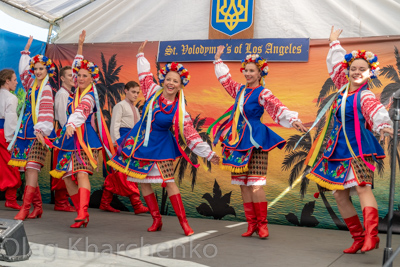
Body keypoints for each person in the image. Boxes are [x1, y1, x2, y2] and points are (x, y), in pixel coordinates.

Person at [108, 40, 220, 236]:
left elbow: (191, 135)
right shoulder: (152, 92)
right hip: (141, 143)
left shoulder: (180, 110)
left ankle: (184, 223)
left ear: (180, 85)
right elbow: (143, 77)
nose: (171, 83)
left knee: (169, 182)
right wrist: (141, 56)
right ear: (163, 80)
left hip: (161, 146)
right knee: (143, 181)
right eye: (168, 79)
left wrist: (209, 154)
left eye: (175, 81)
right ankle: (156, 220)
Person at [305, 27, 393, 253]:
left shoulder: (364, 95)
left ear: (370, 73)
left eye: (362, 69)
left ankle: (372, 236)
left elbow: (374, 110)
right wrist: (334, 42)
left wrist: (384, 125)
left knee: (363, 187)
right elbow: (336, 65)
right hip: (337, 148)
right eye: (353, 68)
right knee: (338, 194)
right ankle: (358, 237)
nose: (356, 72)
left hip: (358, 148)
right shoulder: (343, 89)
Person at [212, 46, 307, 239]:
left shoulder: (263, 93)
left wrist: (293, 120)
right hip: (237, 140)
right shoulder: (238, 90)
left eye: (251, 71)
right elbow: (225, 81)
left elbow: (277, 107)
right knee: (243, 184)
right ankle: (251, 224)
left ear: (260, 73)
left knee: (255, 184)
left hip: (256, 140)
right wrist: (218, 61)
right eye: (246, 70)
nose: (247, 73)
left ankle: (263, 225)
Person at [50, 30, 114, 228]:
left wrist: (70, 124)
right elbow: (78, 64)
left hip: (84, 138)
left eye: (85, 76)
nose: (80, 77)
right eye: (78, 75)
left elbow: (80, 112)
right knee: (68, 177)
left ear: (91, 79)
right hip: (69, 138)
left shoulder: (88, 97)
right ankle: (81, 213)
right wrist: (79, 46)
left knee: (81, 174)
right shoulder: (72, 94)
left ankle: (82, 212)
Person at [10, 36, 56, 220]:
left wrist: (41, 130)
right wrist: (26, 51)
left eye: (41, 69)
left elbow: (46, 110)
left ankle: (25, 207)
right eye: (35, 69)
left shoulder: (46, 89)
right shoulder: (31, 85)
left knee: (31, 168)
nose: (37, 72)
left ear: (47, 70)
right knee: (28, 170)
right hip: (25, 131)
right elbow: (23, 73)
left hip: (38, 132)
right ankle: (37, 207)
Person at [100, 81, 148, 214]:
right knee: (122, 173)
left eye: (138, 92)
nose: (136, 95)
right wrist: (115, 143)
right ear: (125, 90)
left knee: (118, 174)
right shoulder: (120, 106)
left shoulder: (135, 108)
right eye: (133, 92)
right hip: (121, 142)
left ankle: (104, 203)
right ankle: (137, 205)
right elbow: (114, 124)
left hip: (131, 143)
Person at [51, 66, 76, 212]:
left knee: (68, 166)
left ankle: (65, 200)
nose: (73, 78)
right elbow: (61, 117)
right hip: (64, 133)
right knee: (63, 165)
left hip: (69, 132)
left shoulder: (69, 93)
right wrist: (67, 130)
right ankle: (60, 201)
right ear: (61, 78)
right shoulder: (62, 94)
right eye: (69, 75)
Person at [0, 69, 22, 210]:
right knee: (11, 166)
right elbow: (10, 121)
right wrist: (11, 140)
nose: (16, 82)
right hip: (3, 134)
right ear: (7, 81)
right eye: (14, 79)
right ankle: (11, 199)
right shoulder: (11, 98)